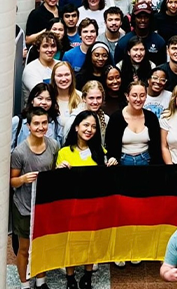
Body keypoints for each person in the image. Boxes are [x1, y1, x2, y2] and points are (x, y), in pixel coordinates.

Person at [57, 110, 118, 289]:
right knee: (71, 242)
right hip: (72, 208)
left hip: (94, 207)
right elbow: (57, 182)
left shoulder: (100, 151)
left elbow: (107, 179)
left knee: (91, 241)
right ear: (76, 127)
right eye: (85, 125)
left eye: (93, 127)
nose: (89, 129)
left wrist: (112, 163)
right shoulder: (64, 152)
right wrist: (59, 169)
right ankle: (70, 277)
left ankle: (88, 275)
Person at [11, 107, 59, 289]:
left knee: (42, 245)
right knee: (24, 248)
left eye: (44, 123)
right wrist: (22, 179)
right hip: (24, 207)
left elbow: (53, 173)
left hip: (44, 207)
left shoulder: (53, 145)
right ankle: (24, 284)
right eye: (36, 123)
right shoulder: (19, 152)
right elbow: (12, 182)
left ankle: (41, 281)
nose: (41, 127)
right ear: (29, 126)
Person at [106, 80, 164, 165]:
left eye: (142, 95)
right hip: (122, 161)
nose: (138, 99)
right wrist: (112, 158)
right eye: (134, 95)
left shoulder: (151, 118)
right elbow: (110, 145)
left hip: (146, 160)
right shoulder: (116, 118)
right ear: (127, 96)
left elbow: (156, 148)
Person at [11, 83, 63, 152]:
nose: (44, 102)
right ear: (32, 100)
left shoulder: (56, 121)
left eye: (48, 99)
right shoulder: (17, 121)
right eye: (40, 98)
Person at [114, 0, 167, 66]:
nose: (143, 20)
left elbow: (162, 67)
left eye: (146, 17)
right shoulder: (123, 43)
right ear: (134, 19)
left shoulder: (159, 42)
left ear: (150, 18)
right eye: (139, 17)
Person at [22, 31, 60, 105]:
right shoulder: (31, 69)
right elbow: (42, 95)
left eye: (53, 46)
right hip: (36, 112)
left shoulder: (60, 65)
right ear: (38, 49)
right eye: (45, 46)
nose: (50, 50)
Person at [51, 61, 83, 126]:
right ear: (53, 78)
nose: (63, 79)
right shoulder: (48, 98)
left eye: (67, 74)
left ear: (72, 76)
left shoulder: (81, 97)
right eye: (59, 75)